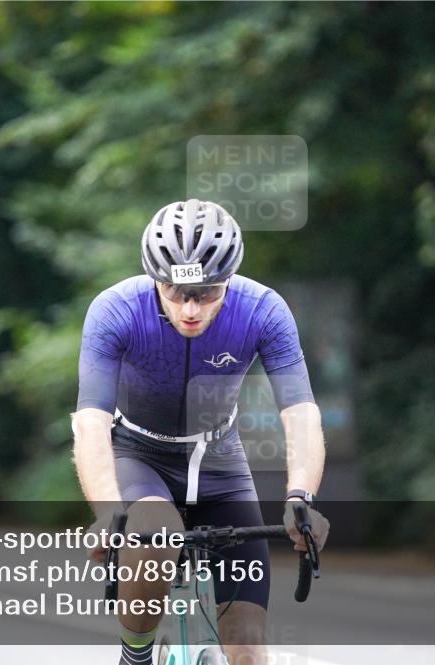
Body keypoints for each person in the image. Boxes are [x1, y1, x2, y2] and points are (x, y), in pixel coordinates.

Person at [72, 198, 329, 665]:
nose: (191, 308)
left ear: (229, 279)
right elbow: (91, 422)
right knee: (155, 531)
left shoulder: (263, 310)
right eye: (175, 291)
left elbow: (300, 411)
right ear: (154, 278)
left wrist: (301, 497)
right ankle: (136, 656)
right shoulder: (115, 310)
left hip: (219, 464)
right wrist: (110, 510)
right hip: (139, 455)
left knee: (249, 650)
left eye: (208, 292)